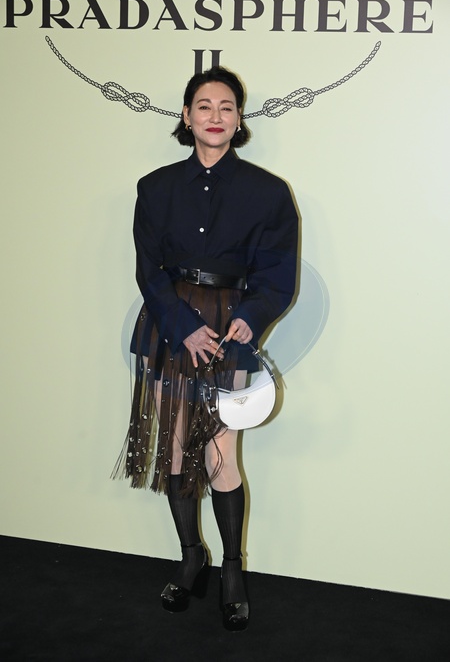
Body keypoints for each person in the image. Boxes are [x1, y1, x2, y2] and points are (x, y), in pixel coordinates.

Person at [113, 66, 299, 631]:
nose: (215, 116)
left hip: (230, 330)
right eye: (203, 106)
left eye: (226, 107)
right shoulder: (155, 187)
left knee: (221, 453)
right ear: (187, 116)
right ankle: (192, 557)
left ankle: (233, 571)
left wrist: (249, 318)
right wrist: (181, 325)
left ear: (238, 119)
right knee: (175, 449)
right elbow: (148, 270)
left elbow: (277, 276)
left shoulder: (269, 192)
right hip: (171, 326)